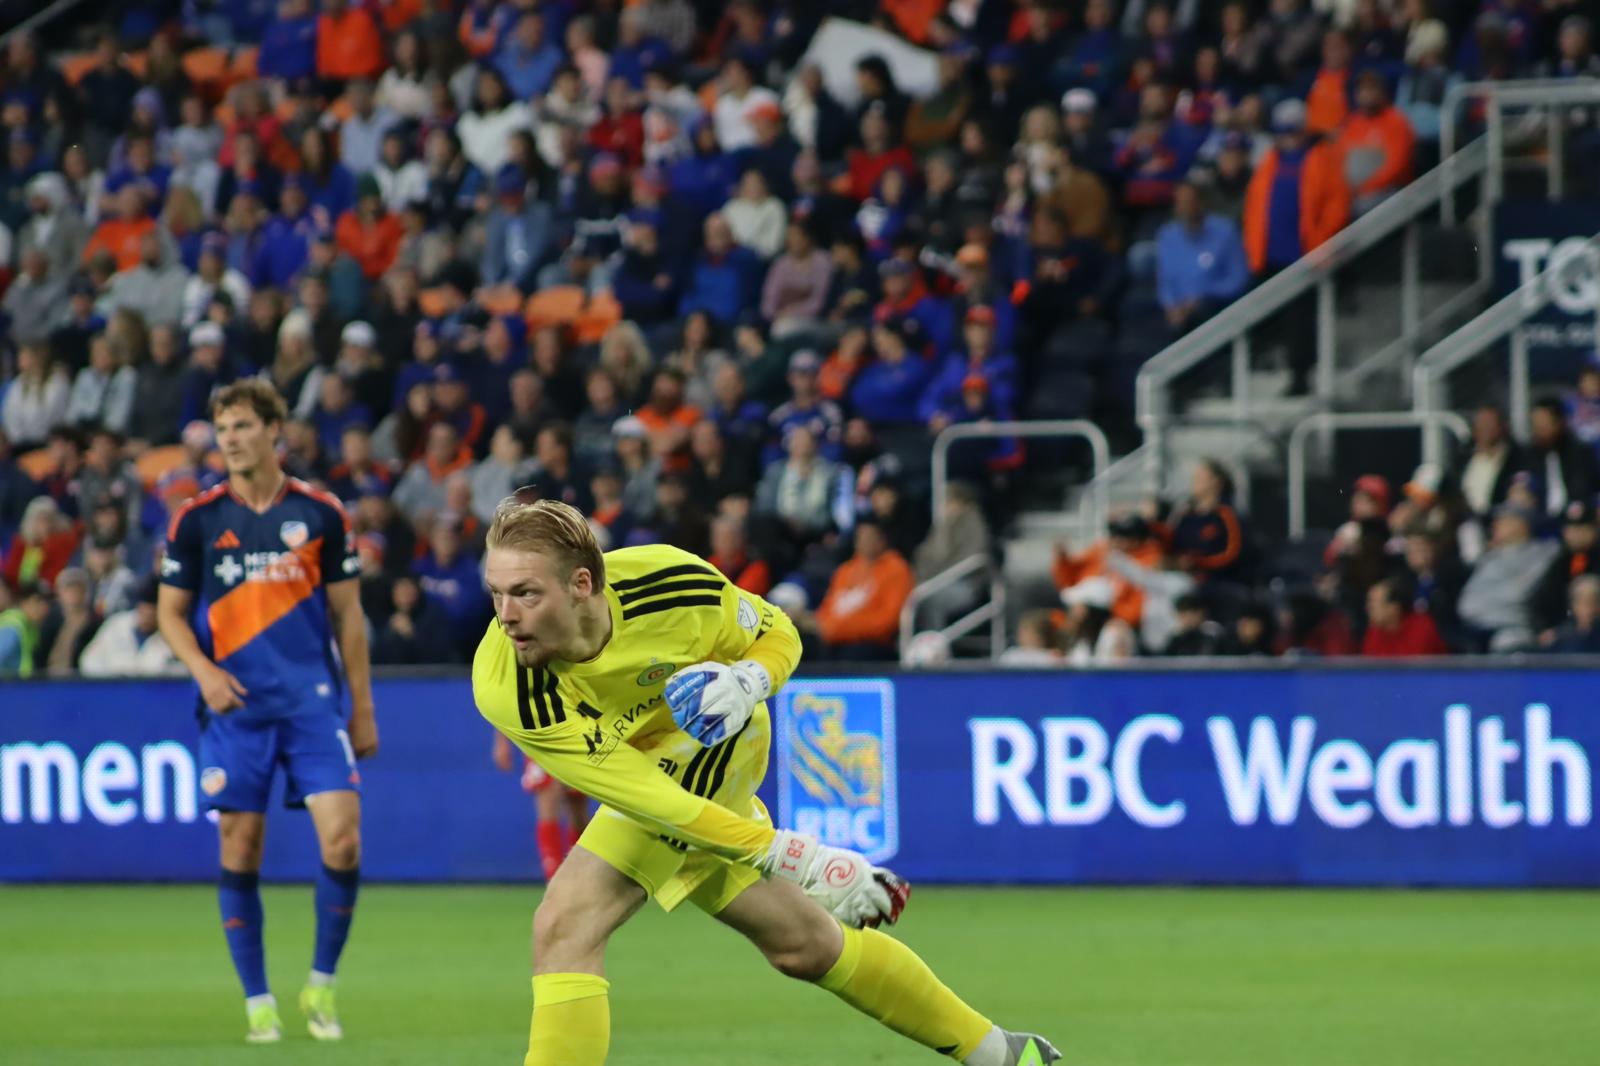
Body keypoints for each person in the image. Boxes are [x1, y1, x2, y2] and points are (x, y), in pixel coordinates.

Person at [473, 497, 1059, 1066]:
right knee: (803, 946)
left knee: (566, 927)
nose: (506, 616)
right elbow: (647, 797)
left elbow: (779, 634)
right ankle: (1001, 1053)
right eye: (497, 593)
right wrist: (799, 856)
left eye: (526, 593)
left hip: (717, 745)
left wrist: (750, 680)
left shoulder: (669, 584)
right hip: (659, 785)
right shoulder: (506, 683)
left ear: (581, 584)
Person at [157, 380, 378, 1044]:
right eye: (222, 426)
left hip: (311, 707)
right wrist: (205, 671)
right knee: (241, 848)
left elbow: (348, 616)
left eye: (243, 425)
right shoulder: (196, 519)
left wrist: (361, 708)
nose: (230, 437)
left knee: (343, 839)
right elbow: (169, 614)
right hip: (237, 710)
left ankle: (321, 985)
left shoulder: (318, 513)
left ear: (273, 431)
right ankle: (257, 999)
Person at [493, 728, 593, 881]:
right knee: (548, 797)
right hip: (540, 733)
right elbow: (503, 704)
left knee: (578, 806)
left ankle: (581, 876)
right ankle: (554, 879)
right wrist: (501, 742)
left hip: (575, 729)